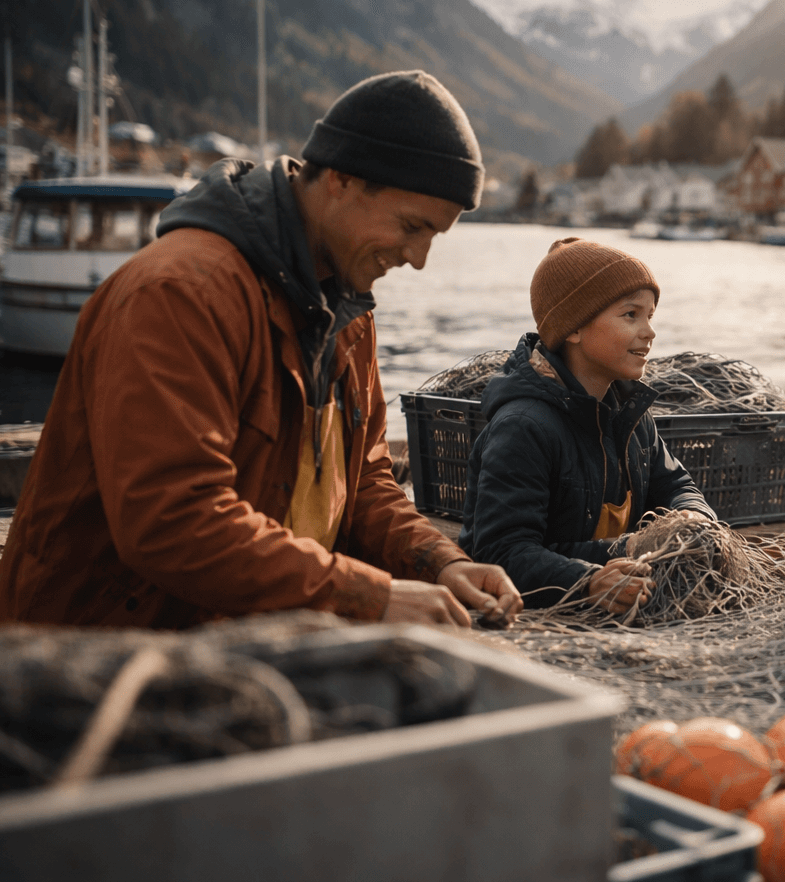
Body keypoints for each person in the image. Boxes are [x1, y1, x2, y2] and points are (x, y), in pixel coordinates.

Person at [0, 71, 521, 629]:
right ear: (341, 179)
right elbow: (173, 520)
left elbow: (364, 484)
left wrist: (439, 561)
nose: (418, 258)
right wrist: (371, 596)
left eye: (433, 237)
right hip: (93, 648)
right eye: (412, 227)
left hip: (236, 635)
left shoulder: (349, 310)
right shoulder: (180, 293)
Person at [458, 238, 715, 613]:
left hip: (621, 590)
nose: (649, 332)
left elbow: (676, 484)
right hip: (538, 610)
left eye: (650, 316)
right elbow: (502, 552)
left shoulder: (631, 413)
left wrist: (693, 517)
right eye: (631, 315)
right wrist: (588, 581)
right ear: (573, 328)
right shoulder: (523, 427)